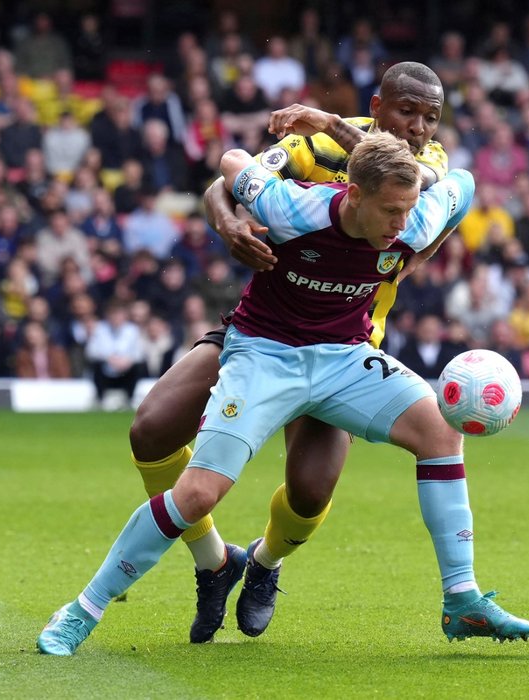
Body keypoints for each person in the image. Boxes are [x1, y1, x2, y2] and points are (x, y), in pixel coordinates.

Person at [38, 132, 529, 656]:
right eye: (391, 211)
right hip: (263, 354)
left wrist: (427, 213)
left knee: (439, 430)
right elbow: (231, 162)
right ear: (355, 196)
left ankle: (461, 600)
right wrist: (232, 222)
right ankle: (81, 610)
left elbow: (464, 182)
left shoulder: (415, 217)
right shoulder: (289, 205)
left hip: (343, 356)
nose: (401, 224)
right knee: (197, 494)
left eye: (409, 209)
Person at [123, 62, 453, 645]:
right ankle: (213, 562)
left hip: (344, 347)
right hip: (264, 330)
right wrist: (229, 227)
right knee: (151, 429)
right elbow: (224, 183)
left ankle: (263, 565)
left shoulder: (427, 166)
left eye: (431, 116)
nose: (419, 127)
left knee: (309, 492)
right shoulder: (316, 146)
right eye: (407, 111)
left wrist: (328, 120)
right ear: (377, 105)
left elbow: (403, 183)